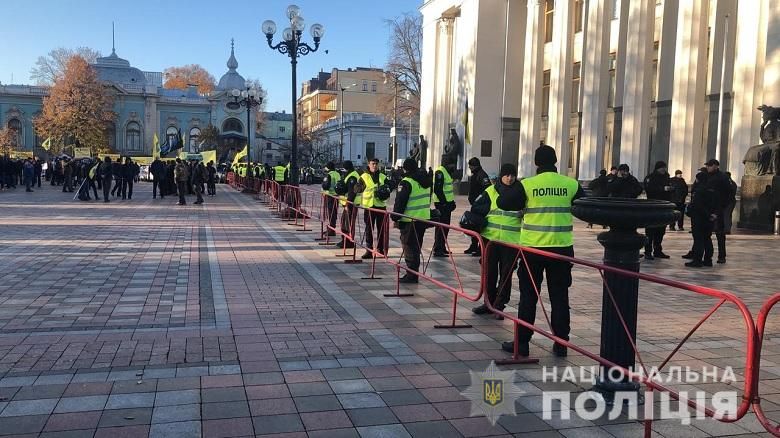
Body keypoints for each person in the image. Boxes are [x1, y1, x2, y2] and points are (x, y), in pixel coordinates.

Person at [497, 144, 585, 357]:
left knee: (528, 296)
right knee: (560, 297)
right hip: (561, 249)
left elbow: (503, 202)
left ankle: (523, 343)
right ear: (555, 161)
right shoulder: (570, 184)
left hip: (532, 250)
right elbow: (584, 206)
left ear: (536, 163)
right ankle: (561, 342)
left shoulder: (528, 185)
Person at [471, 163, 523, 317]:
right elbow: (476, 207)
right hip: (491, 240)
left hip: (511, 241)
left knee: (506, 275)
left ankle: (499, 306)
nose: (510, 178)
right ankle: (488, 303)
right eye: (507, 175)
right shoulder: (491, 191)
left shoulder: (520, 192)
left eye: (512, 175)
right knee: (489, 273)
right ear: (501, 176)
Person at [391, 158, 432, 283]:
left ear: (405, 168)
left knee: (409, 247)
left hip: (409, 220)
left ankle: (412, 275)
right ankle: (413, 273)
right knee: (416, 247)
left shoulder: (406, 182)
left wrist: (395, 216)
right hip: (423, 218)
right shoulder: (426, 181)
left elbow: (400, 202)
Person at [355, 158, 389, 259]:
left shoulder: (383, 176)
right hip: (369, 207)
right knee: (369, 229)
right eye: (373, 164)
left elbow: (390, 186)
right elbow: (356, 188)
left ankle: (381, 249)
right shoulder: (364, 176)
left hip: (381, 206)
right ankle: (369, 251)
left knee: (381, 229)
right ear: (368, 165)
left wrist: (385, 190)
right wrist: (362, 187)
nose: (375, 166)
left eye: (376, 164)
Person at [683, 170, 718, 268]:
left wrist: (706, 214)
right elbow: (717, 203)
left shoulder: (699, 190)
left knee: (698, 240)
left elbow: (698, 205)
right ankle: (708, 260)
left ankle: (697, 260)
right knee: (707, 238)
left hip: (699, 218)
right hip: (710, 218)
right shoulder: (712, 190)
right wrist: (713, 214)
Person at [704, 159, 733, 264]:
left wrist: (722, 207)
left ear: (716, 166)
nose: (708, 167)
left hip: (718, 208)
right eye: (707, 165)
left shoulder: (722, 177)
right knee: (704, 233)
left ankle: (722, 256)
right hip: (707, 208)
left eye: (710, 165)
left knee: (719, 233)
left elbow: (729, 193)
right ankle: (705, 255)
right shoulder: (707, 176)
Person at [642, 161, 672, 260]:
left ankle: (658, 250)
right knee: (650, 231)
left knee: (661, 230)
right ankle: (648, 251)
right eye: (661, 168)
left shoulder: (667, 177)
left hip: (663, 206)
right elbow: (649, 189)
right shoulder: (651, 177)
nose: (663, 169)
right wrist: (662, 189)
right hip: (652, 206)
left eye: (664, 167)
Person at [464, 157, 492, 255]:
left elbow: (487, 190)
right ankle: (474, 246)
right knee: (474, 226)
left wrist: (479, 200)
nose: (469, 168)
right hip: (476, 205)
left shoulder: (482, 175)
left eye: (470, 166)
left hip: (480, 206)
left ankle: (481, 249)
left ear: (473, 166)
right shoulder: (476, 174)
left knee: (479, 227)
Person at [432, 156, 457, 257]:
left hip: (447, 204)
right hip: (441, 204)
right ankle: (438, 249)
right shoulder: (440, 172)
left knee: (445, 227)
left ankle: (442, 247)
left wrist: (451, 202)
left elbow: (448, 190)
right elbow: (438, 190)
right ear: (447, 163)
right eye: (452, 164)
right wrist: (445, 203)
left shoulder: (446, 171)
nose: (454, 166)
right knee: (441, 227)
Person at [336, 161, 360, 249]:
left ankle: (348, 242)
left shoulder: (352, 177)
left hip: (350, 204)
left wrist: (347, 205)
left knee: (348, 224)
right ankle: (345, 240)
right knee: (345, 223)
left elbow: (351, 193)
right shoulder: (351, 175)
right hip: (349, 204)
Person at [321, 162, 341, 236]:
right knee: (334, 213)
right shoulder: (337, 174)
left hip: (330, 195)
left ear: (328, 167)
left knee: (330, 213)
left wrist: (323, 188)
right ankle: (332, 228)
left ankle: (331, 230)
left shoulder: (329, 174)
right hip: (336, 196)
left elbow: (326, 186)